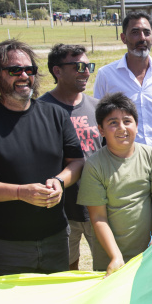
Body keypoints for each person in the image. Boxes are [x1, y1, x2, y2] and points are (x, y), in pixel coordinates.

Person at [0, 40, 85, 276]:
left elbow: (76, 162)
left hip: (55, 238)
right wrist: (20, 193)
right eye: (14, 70)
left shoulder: (55, 114)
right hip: (5, 244)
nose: (24, 75)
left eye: (30, 69)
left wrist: (59, 181)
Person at [77, 93, 152, 276]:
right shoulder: (94, 165)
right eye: (113, 123)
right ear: (101, 130)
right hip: (111, 259)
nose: (122, 128)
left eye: (127, 121)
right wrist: (115, 256)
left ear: (136, 124)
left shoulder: (151, 156)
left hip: (148, 255)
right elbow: (98, 217)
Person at [94, 11, 152, 181]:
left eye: (146, 32)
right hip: (122, 162)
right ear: (123, 38)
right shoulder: (106, 75)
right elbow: (98, 122)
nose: (142, 38)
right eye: (135, 32)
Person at [38, 43, 101, 271]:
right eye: (78, 66)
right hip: (61, 208)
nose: (85, 71)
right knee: (65, 270)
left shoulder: (97, 107)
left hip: (97, 205)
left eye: (88, 66)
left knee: (106, 270)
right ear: (57, 71)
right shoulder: (40, 109)